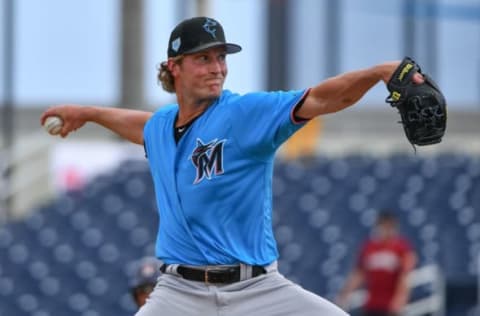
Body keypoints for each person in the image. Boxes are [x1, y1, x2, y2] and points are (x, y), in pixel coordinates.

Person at [40, 16, 424, 316]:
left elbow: (322, 98)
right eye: (203, 58)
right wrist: (88, 112)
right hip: (179, 292)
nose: (217, 68)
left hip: (256, 289)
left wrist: (378, 72)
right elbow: (142, 126)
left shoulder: (243, 113)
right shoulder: (160, 127)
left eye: (221, 57)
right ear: (175, 66)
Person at [336, 211, 417, 316]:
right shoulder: (369, 248)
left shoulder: (402, 249)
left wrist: (400, 300)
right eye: (384, 226)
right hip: (372, 305)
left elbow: (405, 277)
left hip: (390, 306)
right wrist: (345, 294)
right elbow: (358, 274)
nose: (387, 230)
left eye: (390, 227)